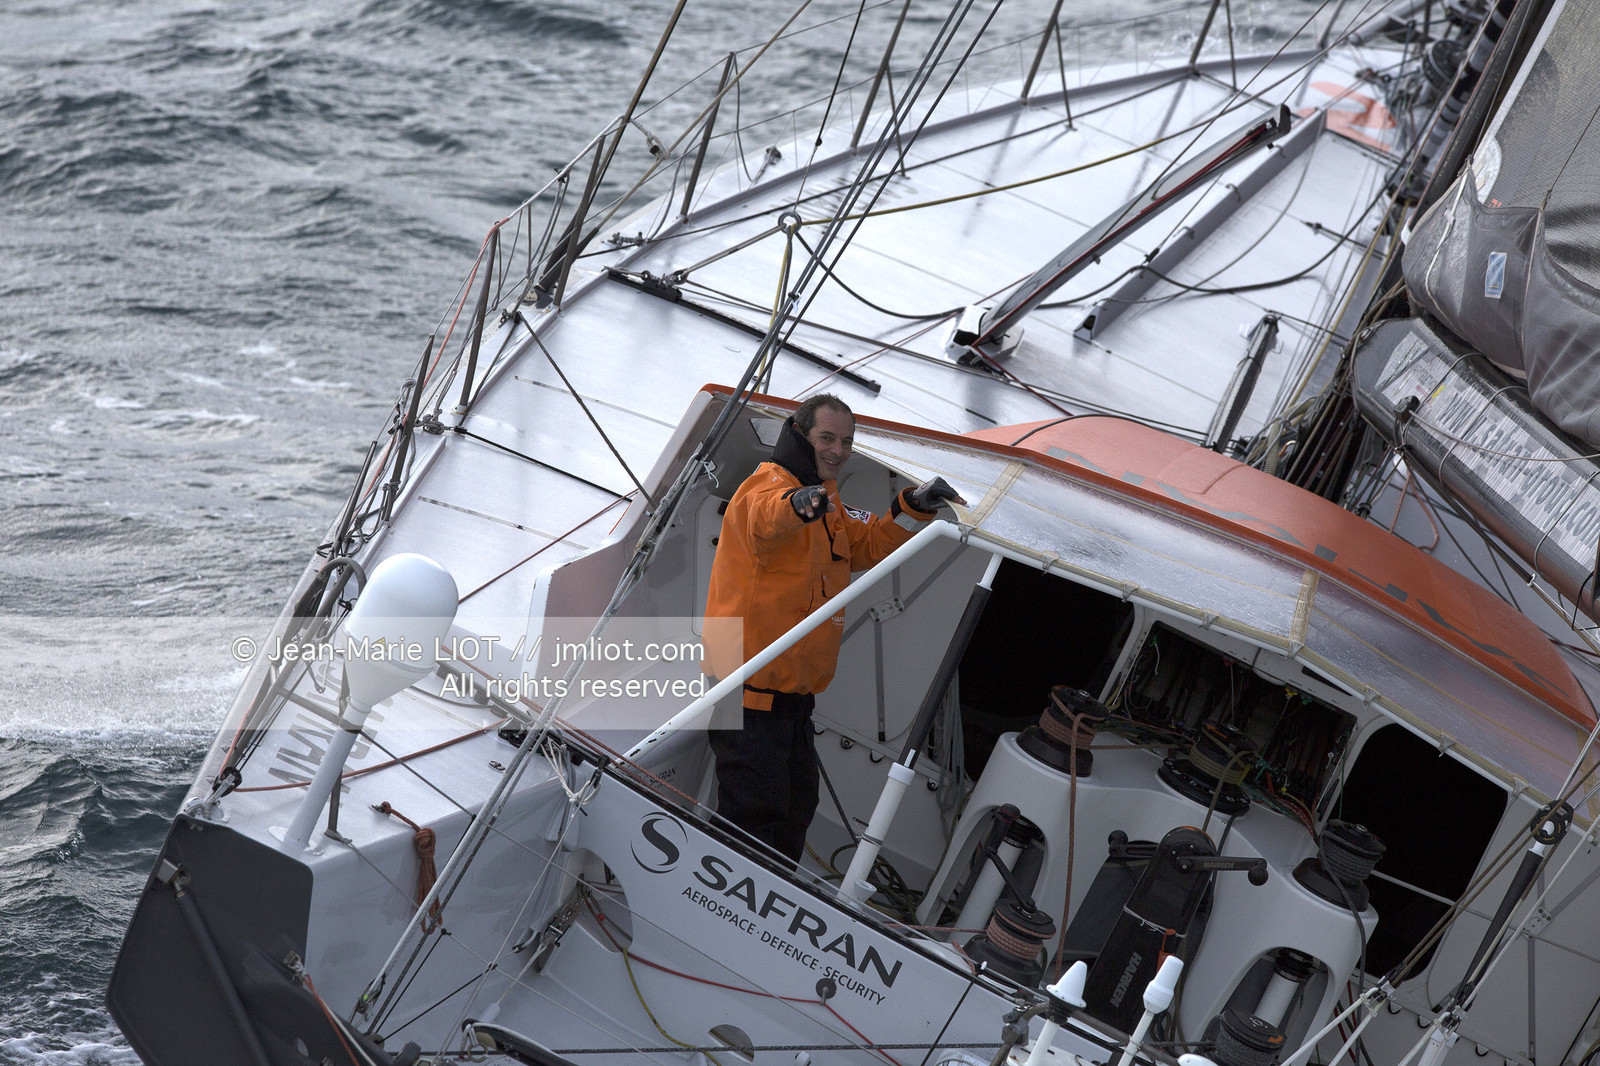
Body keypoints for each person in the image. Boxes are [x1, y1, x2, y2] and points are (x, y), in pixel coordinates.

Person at [703, 394, 964, 860]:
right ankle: (716, 904)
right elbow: (767, 516)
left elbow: (870, 544)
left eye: (847, 441)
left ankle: (763, 900)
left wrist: (916, 507)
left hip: (793, 702)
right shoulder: (767, 487)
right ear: (801, 437)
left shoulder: (828, 504)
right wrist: (798, 504)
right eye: (827, 438)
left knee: (797, 808)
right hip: (746, 694)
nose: (839, 450)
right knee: (752, 816)